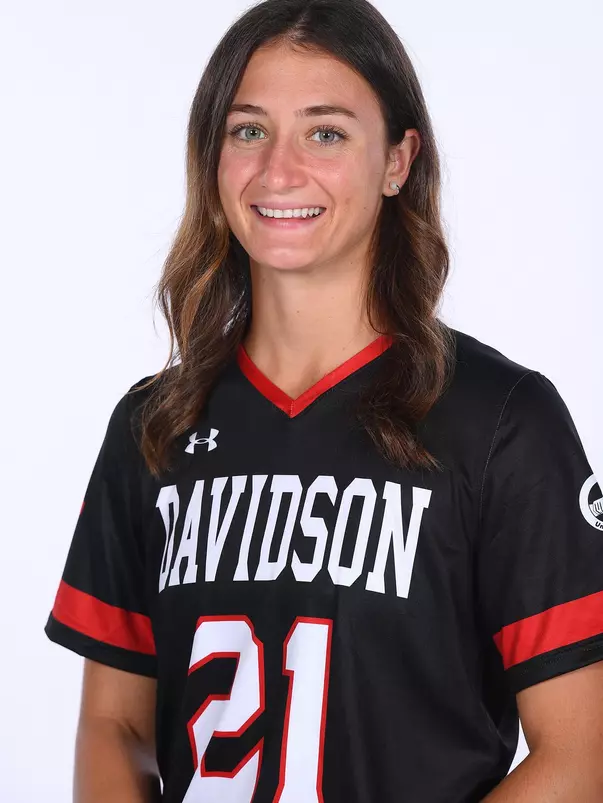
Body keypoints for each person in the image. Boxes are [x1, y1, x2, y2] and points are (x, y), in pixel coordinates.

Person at [44, 0, 603, 801]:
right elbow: (115, 725)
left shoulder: (501, 421)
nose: (278, 170)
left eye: (326, 131)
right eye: (247, 130)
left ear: (397, 161)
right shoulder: (154, 424)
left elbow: (580, 754)